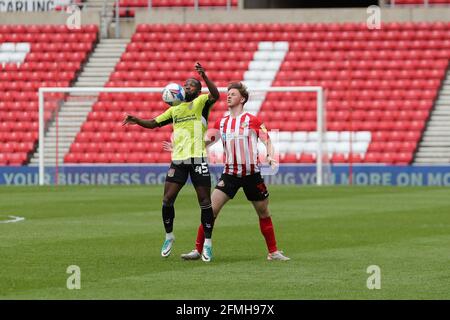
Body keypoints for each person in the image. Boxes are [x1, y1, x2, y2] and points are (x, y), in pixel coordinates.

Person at [165, 81, 290, 261]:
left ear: (243, 99)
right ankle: (197, 250)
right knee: (211, 210)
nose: (229, 96)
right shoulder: (222, 122)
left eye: (233, 93)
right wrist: (180, 145)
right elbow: (204, 142)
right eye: (228, 93)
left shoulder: (252, 120)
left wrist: (270, 156)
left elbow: (267, 140)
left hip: (252, 175)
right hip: (229, 174)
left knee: (263, 212)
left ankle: (273, 252)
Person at [123, 62, 220, 262]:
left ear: (198, 89)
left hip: (198, 159)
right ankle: (169, 236)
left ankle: (208, 244)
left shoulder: (202, 102)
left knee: (204, 202)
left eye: (191, 85)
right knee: (167, 199)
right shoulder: (175, 110)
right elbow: (153, 123)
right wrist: (137, 120)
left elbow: (215, 95)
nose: (186, 87)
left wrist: (204, 76)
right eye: (185, 85)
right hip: (178, 161)